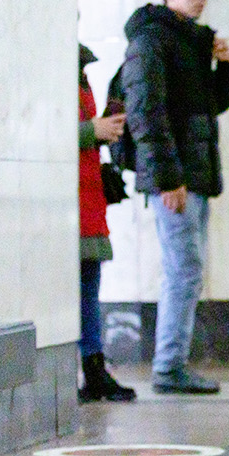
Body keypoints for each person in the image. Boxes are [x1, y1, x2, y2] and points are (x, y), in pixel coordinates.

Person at [121, 0, 229, 395]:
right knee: (183, 270)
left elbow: (210, 106)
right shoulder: (152, 39)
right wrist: (167, 178)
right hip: (175, 179)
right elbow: (145, 110)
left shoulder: (192, 41)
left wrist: (228, 66)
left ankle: (172, 364)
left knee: (186, 269)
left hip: (194, 175)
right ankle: (168, 368)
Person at [77, 45, 136, 403]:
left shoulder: (80, 70)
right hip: (68, 201)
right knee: (81, 290)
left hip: (89, 195)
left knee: (89, 287)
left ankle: (95, 368)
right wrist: (91, 130)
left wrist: (102, 129)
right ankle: (91, 369)